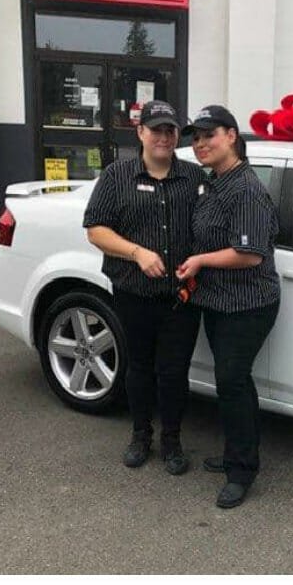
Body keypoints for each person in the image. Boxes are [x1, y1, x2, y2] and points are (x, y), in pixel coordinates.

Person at [82, 100, 208, 475]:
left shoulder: (194, 178)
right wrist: (136, 252)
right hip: (133, 294)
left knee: (174, 373)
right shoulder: (117, 176)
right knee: (139, 368)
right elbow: (96, 230)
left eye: (170, 131)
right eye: (157, 130)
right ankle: (140, 435)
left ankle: (172, 440)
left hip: (182, 298)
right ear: (140, 132)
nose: (164, 137)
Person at [175, 105, 281, 508]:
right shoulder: (215, 182)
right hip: (217, 301)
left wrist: (200, 260)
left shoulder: (246, 189)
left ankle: (242, 471)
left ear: (232, 136)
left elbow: (250, 254)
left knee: (232, 382)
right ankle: (240, 451)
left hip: (248, 305)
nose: (200, 144)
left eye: (209, 135)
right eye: (196, 137)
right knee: (234, 383)